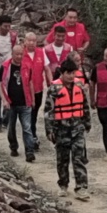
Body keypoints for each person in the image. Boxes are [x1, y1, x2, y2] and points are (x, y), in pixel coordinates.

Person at [44, 61, 92, 200]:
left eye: (73, 73)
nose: (71, 76)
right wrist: (49, 130)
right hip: (61, 129)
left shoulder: (79, 86)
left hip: (77, 128)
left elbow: (85, 106)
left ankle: (81, 187)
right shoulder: (54, 89)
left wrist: (87, 123)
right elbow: (48, 111)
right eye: (68, 73)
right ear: (62, 73)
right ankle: (63, 185)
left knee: (79, 158)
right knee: (62, 160)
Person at [9, 32, 46, 162]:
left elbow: (44, 70)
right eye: (29, 40)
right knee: (14, 125)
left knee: (30, 122)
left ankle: (30, 147)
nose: (31, 43)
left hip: (33, 93)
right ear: (24, 41)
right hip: (15, 98)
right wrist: (5, 99)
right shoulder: (12, 61)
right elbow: (3, 82)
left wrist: (50, 83)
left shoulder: (40, 54)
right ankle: (16, 145)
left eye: (34, 40)